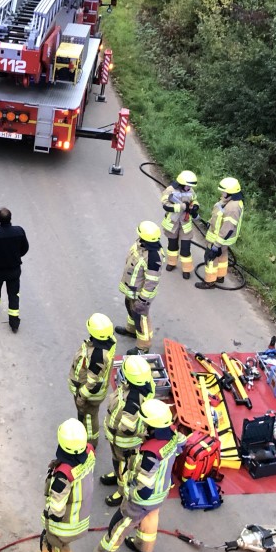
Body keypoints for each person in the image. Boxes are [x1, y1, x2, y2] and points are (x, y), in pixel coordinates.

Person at [80, 399, 188, 552]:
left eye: (145, 423)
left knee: (118, 526)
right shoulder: (174, 435)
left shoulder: (150, 455)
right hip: (161, 493)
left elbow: (143, 491)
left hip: (142, 500)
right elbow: (182, 444)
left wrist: (130, 495)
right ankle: (143, 548)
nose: (142, 425)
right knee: (151, 518)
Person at [13, 419, 96, 552]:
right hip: (81, 519)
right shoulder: (89, 454)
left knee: (47, 545)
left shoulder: (62, 478)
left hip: (65, 525)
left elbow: (57, 510)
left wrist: (49, 519)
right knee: (62, 545)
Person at [99, 355, 152, 507]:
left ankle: (122, 492)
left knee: (124, 467)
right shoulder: (142, 386)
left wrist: (114, 429)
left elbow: (128, 429)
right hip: (118, 442)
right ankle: (117, 475)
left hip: (124, 444)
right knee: (118, 462)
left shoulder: (133, 402)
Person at [68, 313, 117, 450]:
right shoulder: (107, 341)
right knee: (87, 417)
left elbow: (91, 382)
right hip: (94, 391)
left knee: (89, 419)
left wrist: (81, 397)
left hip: (90, 395)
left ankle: (90, 443)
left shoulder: (97, 356)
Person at [115, 221, 163, 355]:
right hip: (131, 289)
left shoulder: (153, 257)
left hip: (140, 295)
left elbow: (151, 282)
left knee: (141, 317)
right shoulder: (142, 245)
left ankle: (144, 346)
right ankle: (131, 330)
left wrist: (143, 300)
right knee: (130, 308)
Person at [0, 207, 29, 332]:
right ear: (11, 218)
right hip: (14, 270)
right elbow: (25, 248)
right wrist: (16, 256)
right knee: (14, 295)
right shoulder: (19, 231)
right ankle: (14, 323)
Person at [196, 177, 244, 289]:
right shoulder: (233, 202)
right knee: (222, 256)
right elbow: (220, 217)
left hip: (219, 239)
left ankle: (209, 281)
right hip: (224, 239)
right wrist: (210, 223)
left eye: (224, 191)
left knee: (210, 258)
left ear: (230, 192)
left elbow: (227, 228)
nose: (222, 193)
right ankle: (220, 276)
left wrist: (216, 246)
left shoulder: (232, 208)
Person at [160, 170, 199, 279]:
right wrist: (180, 207)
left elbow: (194, 200)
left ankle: (186, 269)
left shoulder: (190, 190)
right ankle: (172, 263)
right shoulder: (170, 190)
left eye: (190, 186)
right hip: (172, 223)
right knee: (172, 245)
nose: (189, 188)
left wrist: (195, 206)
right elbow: (165, 205)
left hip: (185, 223)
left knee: (185, 248)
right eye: (187, 186)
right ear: (182, 183)